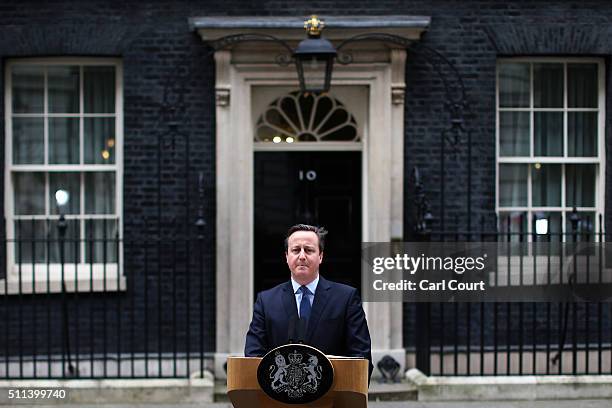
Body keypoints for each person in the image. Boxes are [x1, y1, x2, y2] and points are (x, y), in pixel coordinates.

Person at [245, 224, 373, 380]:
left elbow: (360, 355)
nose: (302, 256)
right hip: (279, 399)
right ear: (286, 256)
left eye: (309, 250)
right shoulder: (266, 301)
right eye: (296, 250)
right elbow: (253, 355)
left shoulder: (346, 298)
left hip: (332, 397)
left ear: (320, 256)